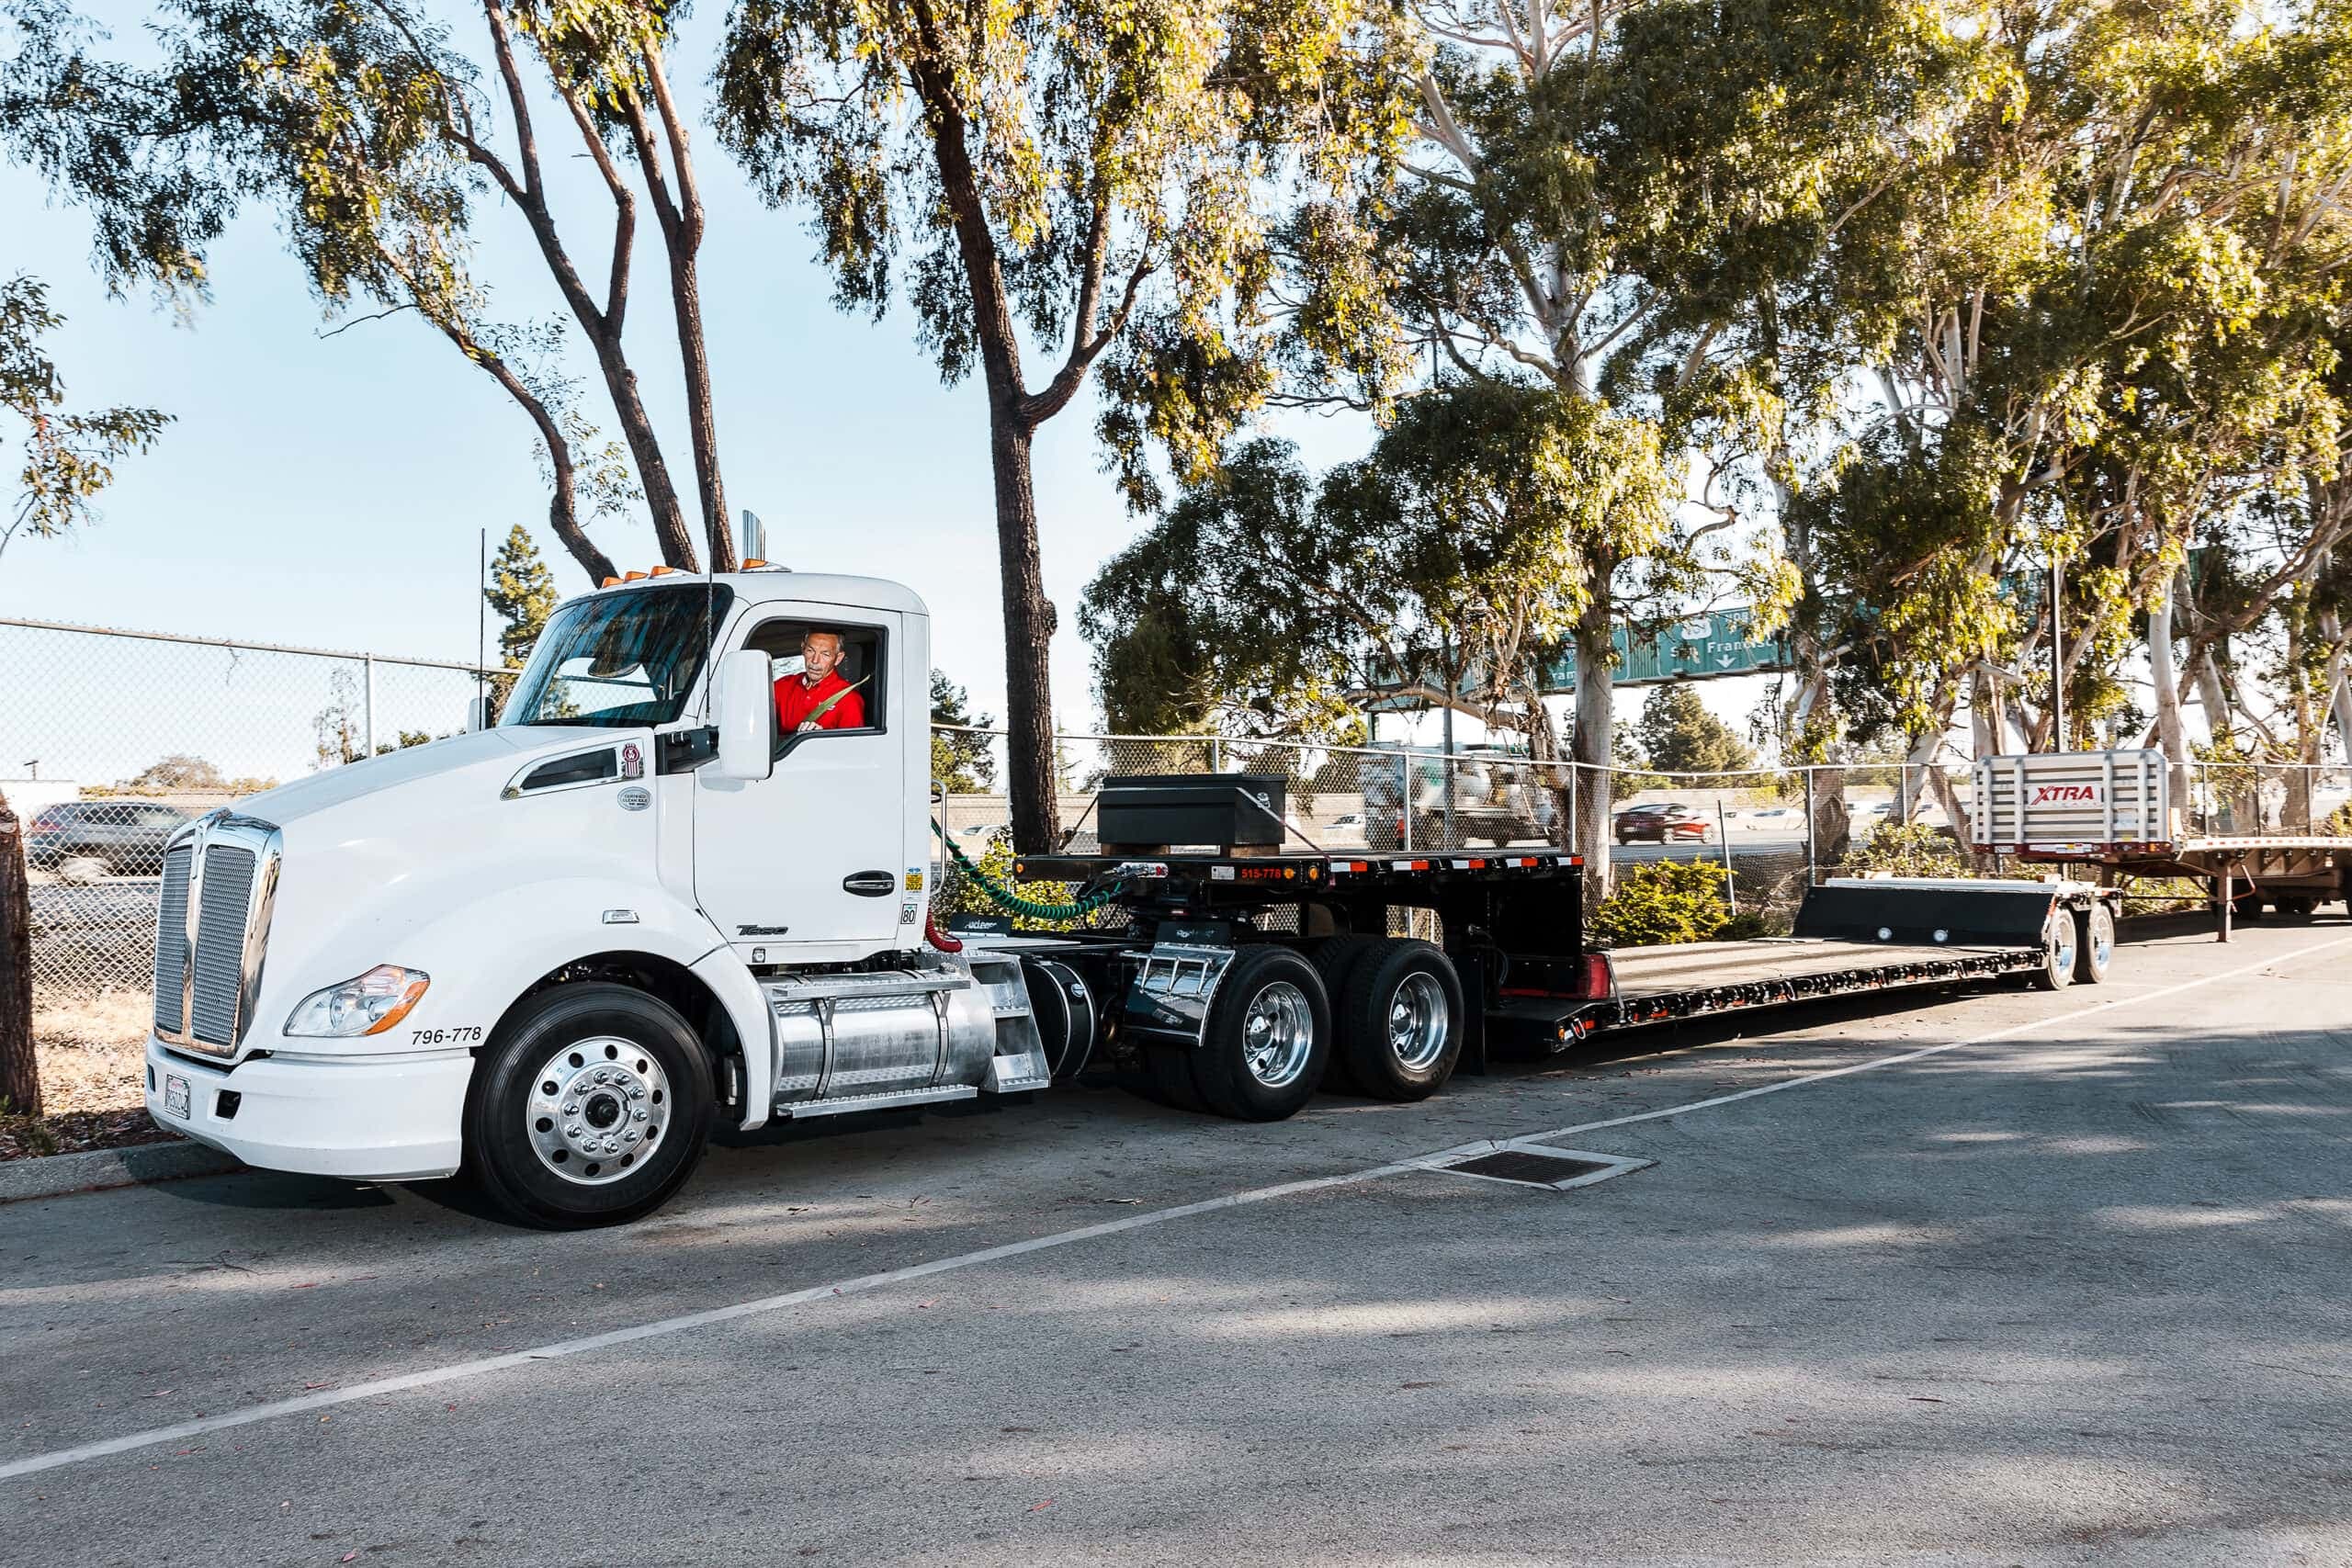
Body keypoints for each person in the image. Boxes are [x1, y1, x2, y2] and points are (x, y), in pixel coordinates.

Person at [775, 629, 867, 733]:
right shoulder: (783, 685)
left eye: (825, 654)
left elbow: (852, 742)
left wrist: (823, 738)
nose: (815, 661)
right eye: (810, 651)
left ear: (838, 658)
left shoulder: (849, 699)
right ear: (803, 649)